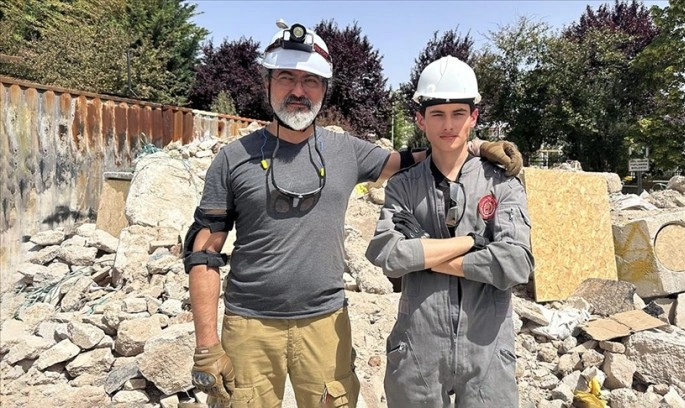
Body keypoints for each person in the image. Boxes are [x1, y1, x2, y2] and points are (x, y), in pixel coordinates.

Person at [184, 20, 523, 408]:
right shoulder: (233, 159)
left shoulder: (346, 151)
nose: (298, 91)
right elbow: (204, 253)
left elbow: (417, 155)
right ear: (268, 82)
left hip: (326, 324)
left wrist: (476, 147)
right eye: (286, 78)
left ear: (325, 88)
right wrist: (207, 345)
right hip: (248, 326)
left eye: (311, 81)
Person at [365, 55, 535, 408]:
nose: (448, 124)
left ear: (474, 117)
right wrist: (472, 242)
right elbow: (388, 254)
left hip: (487, 352)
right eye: (437, 114)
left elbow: (516, 263)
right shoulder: (404, 186)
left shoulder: (501, 183)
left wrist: (425, 253)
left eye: (458, 113)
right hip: (418, 351)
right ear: (420, 119)